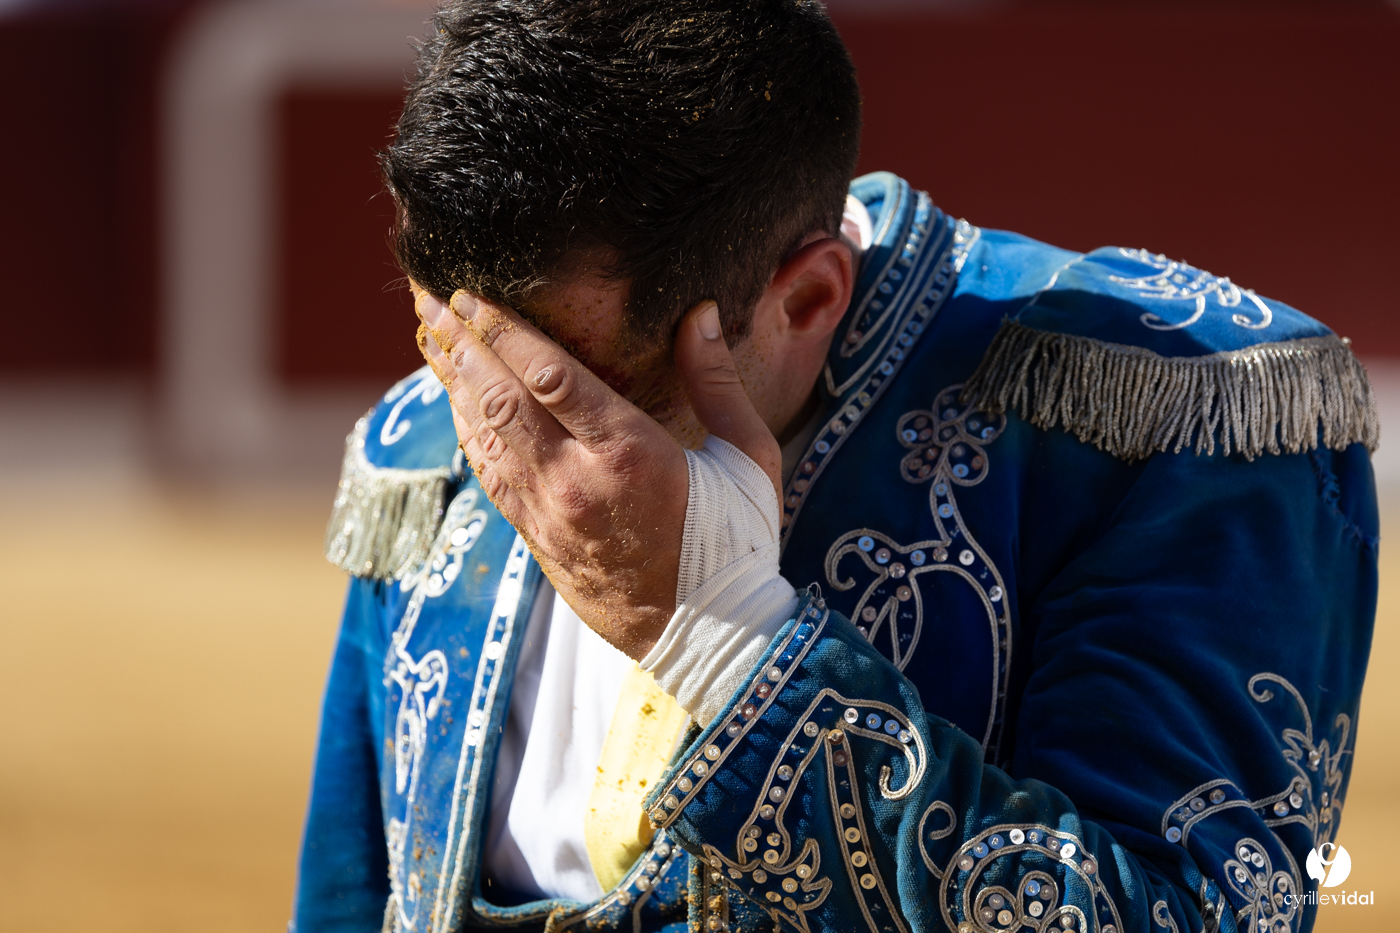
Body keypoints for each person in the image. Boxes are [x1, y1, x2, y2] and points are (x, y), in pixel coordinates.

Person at [292, 2, 1379, 932]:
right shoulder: (445, 426)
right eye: (453, 337)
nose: (504, 417)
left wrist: (726, 644)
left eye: (581, 375)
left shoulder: (1165, 426)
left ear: (805, 298)